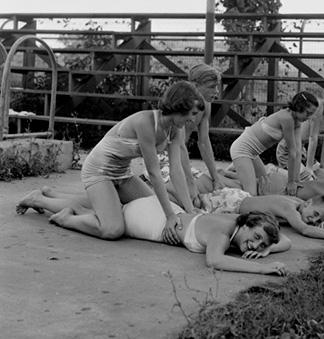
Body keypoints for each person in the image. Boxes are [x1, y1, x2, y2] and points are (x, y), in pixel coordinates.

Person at [44, 81, 205, 241]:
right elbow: (154, 173)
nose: (193, 119)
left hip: (122, 173)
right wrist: (170, 216)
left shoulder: (176, 129)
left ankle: (47, 196)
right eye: (192, 113)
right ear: (180, 107)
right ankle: (64, 217)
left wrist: (190, 210)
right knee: (112, 229)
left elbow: (176, 170)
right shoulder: (146, 123)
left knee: (151, 207)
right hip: (99, 170)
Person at [16, 189, 290, 276]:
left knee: (105, 207)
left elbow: (286, 240)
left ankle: (47, 197)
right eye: (255, 237)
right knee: (106, 222)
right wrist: (263, 269)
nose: (254, 245)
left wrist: (267, 248)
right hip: (152, 222)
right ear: (244, 224)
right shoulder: (222, 233)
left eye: (261, 243)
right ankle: (54, 210)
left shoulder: (237, 226)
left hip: (164, 212)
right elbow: (215, 261)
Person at [141, 64, 225, 207]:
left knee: (213, 183)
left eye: (217, 86)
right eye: (212, 86)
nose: (216, 91)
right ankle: (149, 190)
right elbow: (178, 145)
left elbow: (204, 141)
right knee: (191, 194)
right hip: (164, 158)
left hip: (180, 159)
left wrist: (216, 178)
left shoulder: (206, 106)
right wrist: (190, 183)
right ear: (195, 86)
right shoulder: (182, 106)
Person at [230, 91, 319, 196]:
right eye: (308, 113)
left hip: (253, 153)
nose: (308, 117)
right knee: (251, 194)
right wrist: (291, 182)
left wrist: (297, 181)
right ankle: (218, 182)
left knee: (263, 184)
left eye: (311, 115)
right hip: (242, 149)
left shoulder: (297, 122)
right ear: (299, 106)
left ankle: (225, 174)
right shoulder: (286, 118)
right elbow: (291, 153)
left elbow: (298, 151)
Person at [194, 187, 324, 242]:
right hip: (232, 204)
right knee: (195, 205)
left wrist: (322, 221)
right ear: (307, 203)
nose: (314, 220)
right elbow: (304, 229)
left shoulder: (298, 202)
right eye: (315, 214)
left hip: (241, 197)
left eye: (318, 220)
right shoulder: (289, 209)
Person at [276, 86, 324, 180]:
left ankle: (307, 168)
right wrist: (309, 168)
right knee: (308, 179)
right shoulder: (317, 108)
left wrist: (323, 166)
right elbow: (313, 137)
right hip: (288, 150)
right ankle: (274, 171)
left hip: (302, 150)